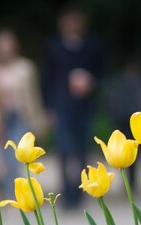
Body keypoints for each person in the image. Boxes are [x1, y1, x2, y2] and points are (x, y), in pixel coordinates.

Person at [42, 3, 104, 209]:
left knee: (83, 151)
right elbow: (47, 78)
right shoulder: (54, 46)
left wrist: (90, 81)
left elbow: (101, 72)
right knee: (64, 150)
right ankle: (66, 193)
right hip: (62, 106)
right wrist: (48, 107)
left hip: (84, 107)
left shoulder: (92, 45)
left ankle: (81, 191)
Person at [0, 28, 46, 196]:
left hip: (20, 115)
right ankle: (2, 191)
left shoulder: (26, 68)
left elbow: (34, 95)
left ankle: (14, 193)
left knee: (15, 156)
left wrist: (39, 119)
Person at [105, 56, 141, 189]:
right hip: (122, 123)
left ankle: (131, 183)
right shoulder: (119, 84)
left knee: (134, 154)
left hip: (138, 126)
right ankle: (128, 183)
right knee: (125, 154)